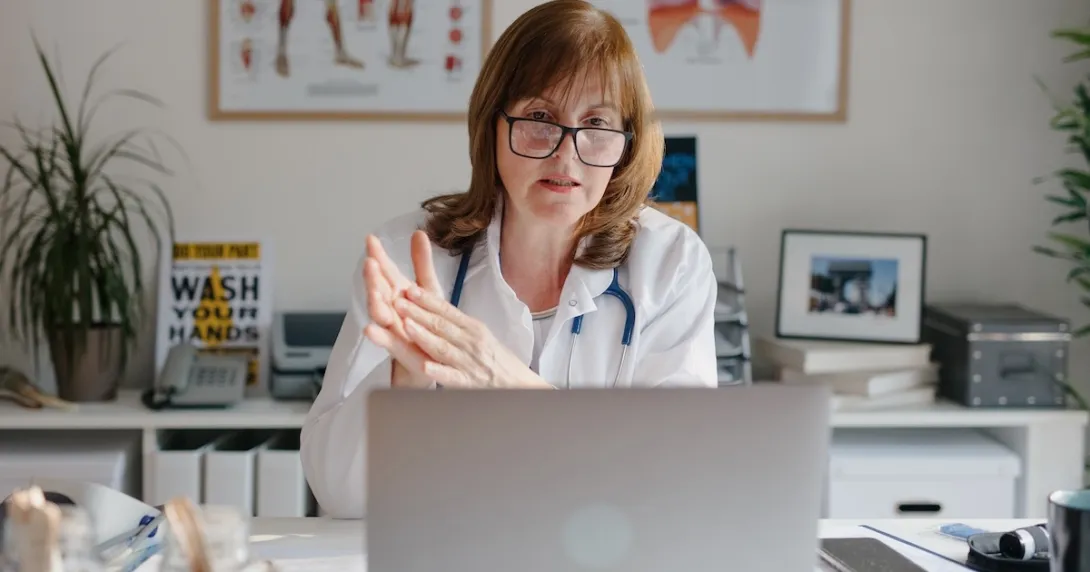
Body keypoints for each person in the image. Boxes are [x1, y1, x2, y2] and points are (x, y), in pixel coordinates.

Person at [300, 0, 719, 519]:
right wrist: (404, 381)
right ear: (492, 124)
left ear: (626, 145)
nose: (566, 154)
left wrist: (502, 378)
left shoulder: (670, 262)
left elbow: (682, 479)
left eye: (596, 123)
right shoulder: (410, 254)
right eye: (540, 118)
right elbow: (338, 494)